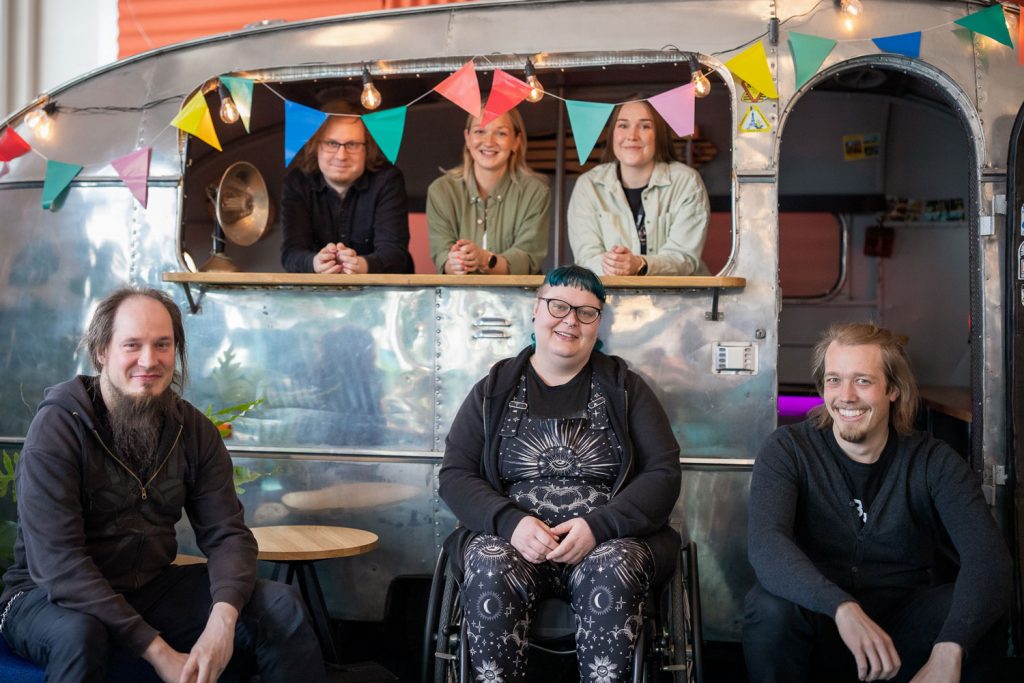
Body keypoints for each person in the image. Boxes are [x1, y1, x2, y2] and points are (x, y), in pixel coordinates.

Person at [0, 287, 325, 683]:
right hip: (45, 595)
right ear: (101, 351)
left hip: (148, 589)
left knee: (280, 605)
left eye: (162, 345)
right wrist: (158, 652)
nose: (149, 360)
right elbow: (59, 565)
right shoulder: (59, 427)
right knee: (81, 634)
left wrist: (222, 620)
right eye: (132, 345)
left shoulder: (193, 430)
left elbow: (227, 536)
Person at [438, 265, 681, 682]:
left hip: (606, 545)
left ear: (598, 323)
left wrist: (600, 526)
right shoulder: (494, 389)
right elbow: (455, 473)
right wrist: (509, 523)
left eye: (586, 312)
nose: (570, 320)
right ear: (536, 311)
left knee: (614, 567)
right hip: (511, 543)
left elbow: (664, 473)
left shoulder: (626, 388)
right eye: (558, 306)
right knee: (489, 565)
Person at [744, 322, 1011, 683]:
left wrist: (951, 647)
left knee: (979, 616)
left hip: (902, 632)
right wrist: (841, 606)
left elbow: (989, 560)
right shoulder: (788, 449)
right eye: (834, 380)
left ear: (894, 390)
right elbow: (766, 545)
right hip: (821, 623)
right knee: (769, 609)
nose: (846, 396)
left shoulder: (933, 461)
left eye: (863, 381)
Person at [567, 99, 710, 276]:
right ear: (612, 134)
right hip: (609, 293)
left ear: (659, 135)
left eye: (645, 126)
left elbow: (684, 258)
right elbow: (586, 257)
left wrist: (640, 264)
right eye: (623, 125)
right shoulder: (588, 185)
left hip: (679, 293)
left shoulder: (686, 182)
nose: (632, 136)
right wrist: (612, 264)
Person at [281, 101, 413, 274]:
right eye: (331, 143)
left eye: (352, 144)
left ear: (367, 148)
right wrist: (315, 263)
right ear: (315, 145)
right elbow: (291, 254)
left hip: (381, 289)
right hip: (317, 289)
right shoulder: (297, 183)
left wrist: (358, 265)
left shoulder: (388, 179)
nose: (341, 156)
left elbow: (395, 255)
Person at [426, 108, 550, 275]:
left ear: (516, 141)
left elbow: (527, 259)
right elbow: (441, 256)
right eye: (480, 131)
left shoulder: (536, 192)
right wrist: (456, 262)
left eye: (501, 133)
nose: (489, 142)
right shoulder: (441, 191)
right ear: (467, 138)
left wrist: (485, 259)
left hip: (517, 292)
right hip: (458, 292)